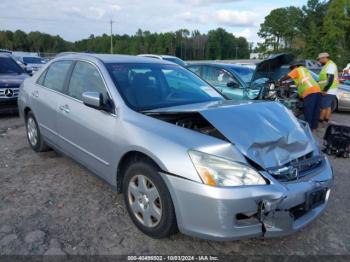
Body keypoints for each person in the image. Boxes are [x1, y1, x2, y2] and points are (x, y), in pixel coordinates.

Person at [280, 62, 321, 131]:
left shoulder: (297, 70)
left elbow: (286, 77)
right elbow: (300, 81)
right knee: (315, 110)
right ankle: (314, 128)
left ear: (295, 67)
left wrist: (280, 81)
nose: (291, 71)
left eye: (292, 69)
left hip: (309, 91)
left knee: (308, 111)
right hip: (317, 90)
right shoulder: (304, 70)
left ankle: (307, 129)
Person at [317, 52, 339, 125]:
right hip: (331, 90)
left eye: (320, 59)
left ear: (324, 58)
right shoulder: (328, 65)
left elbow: (330, 78)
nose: (319, 61)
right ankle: (326, 120)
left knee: (323, 107)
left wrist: (325, 90)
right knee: (327, 106)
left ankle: (320, 121)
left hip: (329, 90)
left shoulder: (330, 65)